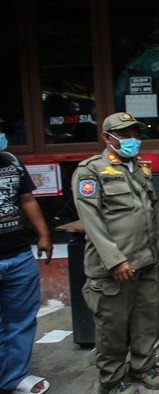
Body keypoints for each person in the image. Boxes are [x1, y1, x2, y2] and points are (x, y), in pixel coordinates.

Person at [73, 112, 159, 394]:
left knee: (146, 318)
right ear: (107, 137)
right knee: (112, 326)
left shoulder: (140, 168)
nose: (132, 140)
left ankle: (142, 366)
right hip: (113, 266)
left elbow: (153, 210)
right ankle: (112, 379)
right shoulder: (90, 170)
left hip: (146, 259)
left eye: (135, 134)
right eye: (125, 134)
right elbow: (91, 220)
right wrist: (115, 259)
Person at [0, 127, 53, 394]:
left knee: (20, 320)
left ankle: (13, 378)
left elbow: (27, 199)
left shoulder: (10, 161)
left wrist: (43, 235)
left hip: (18, 254)